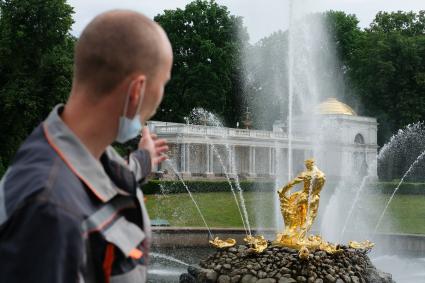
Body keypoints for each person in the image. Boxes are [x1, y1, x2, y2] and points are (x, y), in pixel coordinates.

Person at [0, 10, 172, 282]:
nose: (159, 99)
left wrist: (145, 158)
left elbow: (112, 180)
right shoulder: (50, 212)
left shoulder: (80, 153)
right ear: (137, 91)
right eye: (162, 84)